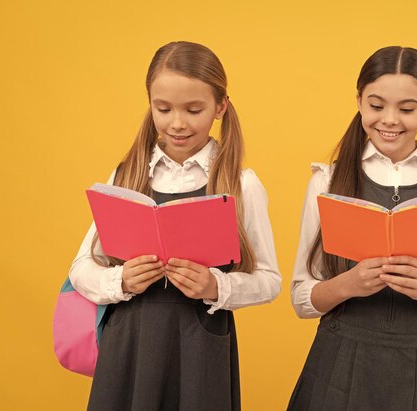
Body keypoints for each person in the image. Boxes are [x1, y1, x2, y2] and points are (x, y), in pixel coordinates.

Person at [69, 41, 281, 411]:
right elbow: (81, 268)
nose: (177, 123)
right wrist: (119, 281)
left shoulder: (240, 183)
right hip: (129, 343)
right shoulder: (125, 176)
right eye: (162, 108)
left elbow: (269, 280)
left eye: (194, 109)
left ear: (220, 107)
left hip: (199, 346)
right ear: (149, 103)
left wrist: (217, 285)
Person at [288, 46, 417, 410]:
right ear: (359, 101)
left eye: (407, 108)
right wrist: (350, 284)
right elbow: (303, 298)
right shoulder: (329, 180)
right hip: (340, 358)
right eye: (376, 105)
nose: (390, 120)